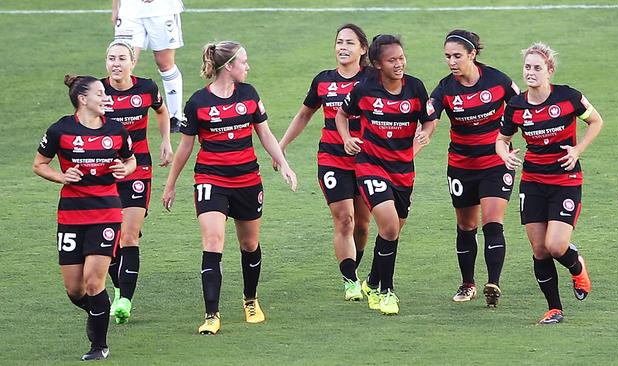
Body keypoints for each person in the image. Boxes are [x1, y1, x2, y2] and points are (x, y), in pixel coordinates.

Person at [163, 41, 298, 334]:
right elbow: (186, 147)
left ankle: (250, 300)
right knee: (212, 242)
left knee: (249, 244)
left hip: (248, 180)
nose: (248, 67)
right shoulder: (198, 102)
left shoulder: (249, 95)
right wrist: (170, 184)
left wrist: (284, 164)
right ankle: (212, 314)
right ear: (229, 67)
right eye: (244, 62)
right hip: (211, 180)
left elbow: (265, 133)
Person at [495, 42, 602, 324]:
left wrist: (578, 150)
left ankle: (577, 265)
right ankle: (554, 308)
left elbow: (596, 121)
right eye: (527, 67)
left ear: (549, 71)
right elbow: (501, 140)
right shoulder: (516, 106)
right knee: (539, 249)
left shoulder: (568, 97)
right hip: (532, 182)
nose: (531, 73)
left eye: (537, 68)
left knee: (555, 245)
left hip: (565, 180)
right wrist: (505, 155)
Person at [33, 74, 136, 360]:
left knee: (93, 282)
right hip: (70, 216)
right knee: (75, 289)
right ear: (83, 99)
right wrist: (62, 176)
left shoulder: (116, 130)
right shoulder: (60, 130)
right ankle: (100, 310)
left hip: (106, 214)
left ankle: (98, 346)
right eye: (100, 93)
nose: (106, 98)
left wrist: (124, 170)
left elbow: (131, 159)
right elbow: (39, 164)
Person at [417, 30, 520, 307]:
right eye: (448, 56)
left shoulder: (497, 81)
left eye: (457, 56)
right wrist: (424, 136)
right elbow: (431, 118)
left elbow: (522, 107)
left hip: (496, 163)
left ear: (472, 54)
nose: (451, 61)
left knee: (492, 221)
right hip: (461, 166)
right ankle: (467, 284)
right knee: (466, 225)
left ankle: (493, 284)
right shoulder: (445, 88)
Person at [336, 34, 436, 315]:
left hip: (403, 170)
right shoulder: (364, 89)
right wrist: (346, 139)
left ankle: (372, 281)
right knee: (390, 225)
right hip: (370, 166)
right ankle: (386, 292)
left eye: (401, 58)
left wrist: (423, 136)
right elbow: (341, 115)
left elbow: (429, 120)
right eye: (392, 60)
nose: (399, 64)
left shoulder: (415, 87)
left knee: (392, 231)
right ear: (378, 64)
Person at [274, 24, 371, 301]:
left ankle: (354, 267)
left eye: (350, 43)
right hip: (332, 159)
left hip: (366, 160)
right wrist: (281, 147)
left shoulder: (372, 80)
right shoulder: (323, 81)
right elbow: (305, 114)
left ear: (363, 49)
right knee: (345, 220)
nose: (343, 47)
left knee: (363, 225)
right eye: (339, 42)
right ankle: (350, 280)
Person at [102, 40, 174, 324]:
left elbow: (161, 111)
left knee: (129, 235)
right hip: (104, 171)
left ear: (132, 62)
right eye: (111, 58)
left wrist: (166, 141)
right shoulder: (97, 92)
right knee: (110, 239)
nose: (116, 63)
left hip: (137, 168)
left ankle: (124, 301)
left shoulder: (146, 88)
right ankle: (120, 286)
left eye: (121, 58)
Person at [112, 0, 186, 132]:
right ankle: (118, 112)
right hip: (130, 10)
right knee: (123, 60)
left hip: (162, 9)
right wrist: (115, 6)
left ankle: (175, 116)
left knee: (165, 63)